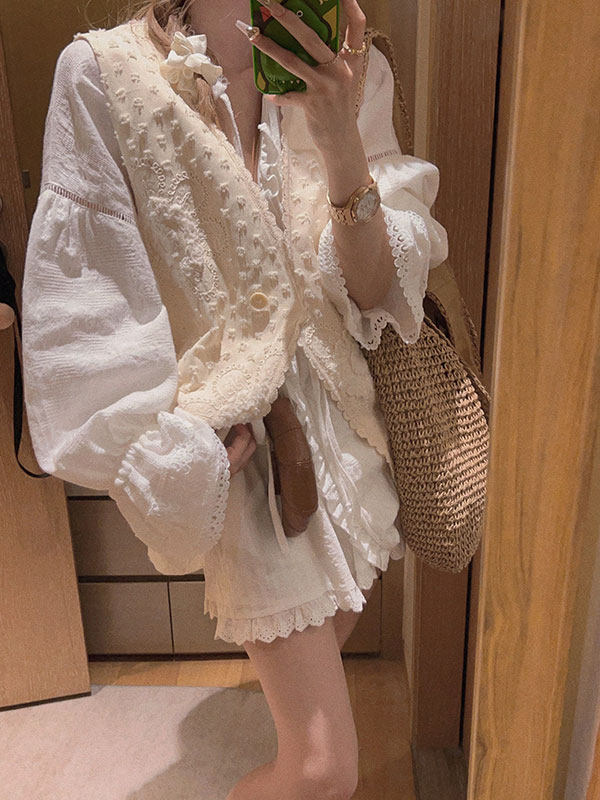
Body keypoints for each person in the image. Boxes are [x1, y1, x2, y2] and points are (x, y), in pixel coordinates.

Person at [21, 0, 448, 797]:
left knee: (326, 658)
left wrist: (339, 136)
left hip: (348, 434)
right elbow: (86, 302)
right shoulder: (103, 72)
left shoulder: (353, 65)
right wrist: (171, 451)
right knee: (321, 770)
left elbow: (376, 292)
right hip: (239, 444)